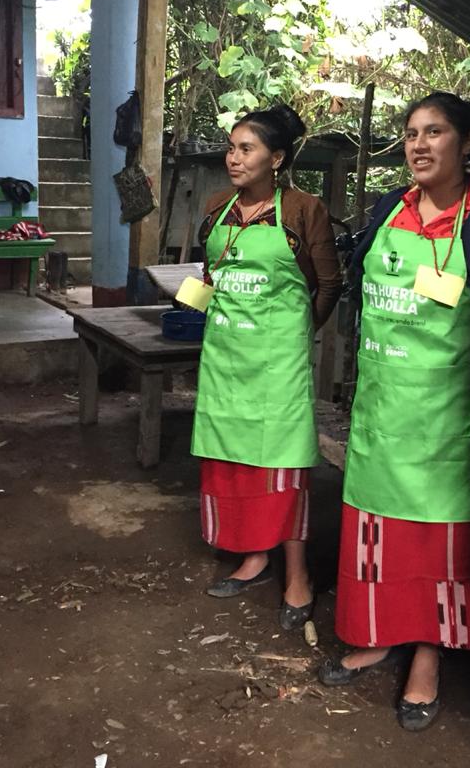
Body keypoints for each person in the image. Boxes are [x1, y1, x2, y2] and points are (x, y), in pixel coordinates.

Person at [318, 91, 470, 732]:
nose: (419, 145)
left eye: (435, 132)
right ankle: (377, 635)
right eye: (411, 133)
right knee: (380, 537)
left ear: (466, 143)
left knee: (436, 545)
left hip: (448, 421)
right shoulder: (388, 209)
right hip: (382, 412)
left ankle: (427, 657)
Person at [191, 104, 342, 630]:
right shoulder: (216, 208)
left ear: (275, 158)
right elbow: (208, 276)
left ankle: (296, 576)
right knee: (233, 468)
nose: (234, 158)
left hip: (278, 367)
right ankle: (252, 557)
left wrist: (299, 334)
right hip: (224, 362)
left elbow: (329, 283)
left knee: (282, 472)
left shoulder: (303, 210)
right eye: (231, 147)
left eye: (246, 149)